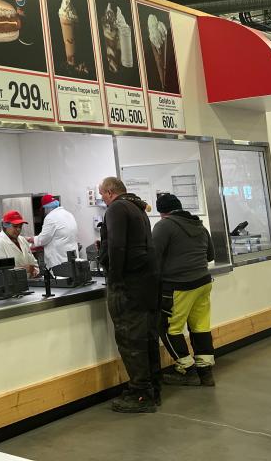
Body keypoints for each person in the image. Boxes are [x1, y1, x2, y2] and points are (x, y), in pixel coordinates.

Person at [98, 176, 161, 413]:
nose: (101, 199)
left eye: (102, 194)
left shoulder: (116, 209)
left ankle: (140, 392)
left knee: (130, 338)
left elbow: (116, 246)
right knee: (147, 337)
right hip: (148, 283)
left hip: (129, 286)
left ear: (111, 192)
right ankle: (152, 388)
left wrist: (115, 278)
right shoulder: (138, 208)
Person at [153, 192, 216, 387]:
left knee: (169, 328)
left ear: (162, 212)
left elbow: (153, 257)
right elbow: (210, 256)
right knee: (200, 326)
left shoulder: (164, 225)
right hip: (203, 282)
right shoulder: (199, 225)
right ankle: (206, 372)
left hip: (178, 286)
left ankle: (186, 369)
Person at [32, 194, 79, 272]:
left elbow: (43, 239)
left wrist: (32, 239)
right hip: (71, 258)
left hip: (58, 261)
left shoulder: (50, 217)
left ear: (46, 207)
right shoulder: (69, 214)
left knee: (60, 281)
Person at [0, 210, 40, 277]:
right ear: (5, 226)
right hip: (6, 286)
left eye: (20, 226)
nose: (18, 229)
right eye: (15, 226)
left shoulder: (22, 240)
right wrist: (23, 269)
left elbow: (33, 263)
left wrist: (35, 271)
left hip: (26, 284)